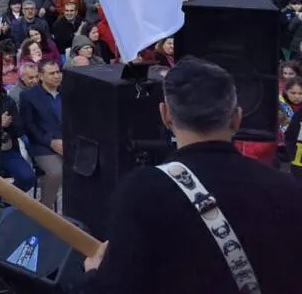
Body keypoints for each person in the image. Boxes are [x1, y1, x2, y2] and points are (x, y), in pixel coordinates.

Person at [82, 58, 302, 293]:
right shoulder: (285, 188)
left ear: (165, 114)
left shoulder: (141, 192)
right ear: (237, 117)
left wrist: (94, 275)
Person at [20, 59, 64, 210]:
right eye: (52, 73)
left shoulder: (67, 92)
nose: (57, 76)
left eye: (58, 72)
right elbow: (29, 126)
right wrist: (51, 141)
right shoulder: (29, 96)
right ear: (41, 76)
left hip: (68, 142)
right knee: (56, 172)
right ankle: (44, 210)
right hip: (42, 144)